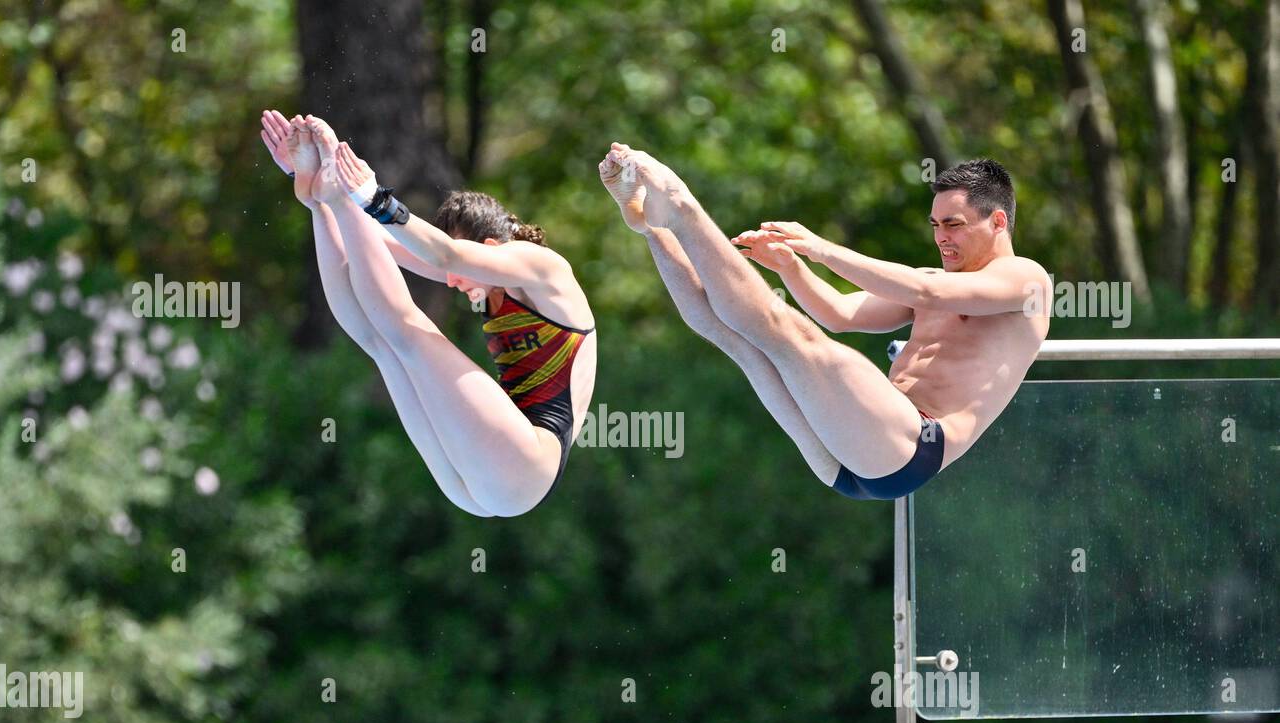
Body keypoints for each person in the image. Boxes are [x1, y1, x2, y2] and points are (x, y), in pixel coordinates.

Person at [599, 145, 1049, 500]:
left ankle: (679, 203)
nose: (941, 239)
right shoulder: (933, 279)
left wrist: (820, 247)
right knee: (740, 340)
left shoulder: (1026, 280)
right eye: (935, 225)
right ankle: (650, 225)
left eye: (953, 225)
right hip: (850, 457)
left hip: (912, 448)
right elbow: (838, 313)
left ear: (997, 221)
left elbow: (924, 291)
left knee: (787, 332)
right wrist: (793, 268)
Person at [259, 109, 596, 516]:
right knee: (381, 343)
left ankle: (331, 197)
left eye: (458, 273)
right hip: (494, 477)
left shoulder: (544, 268)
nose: (450, 282)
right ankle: (322, 202)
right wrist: (321, 196)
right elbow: (371, 246)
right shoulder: (488, 278)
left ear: (489, 250)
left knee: (409, 331)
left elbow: (445, 254)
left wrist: (372, 197)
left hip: (525, 463)